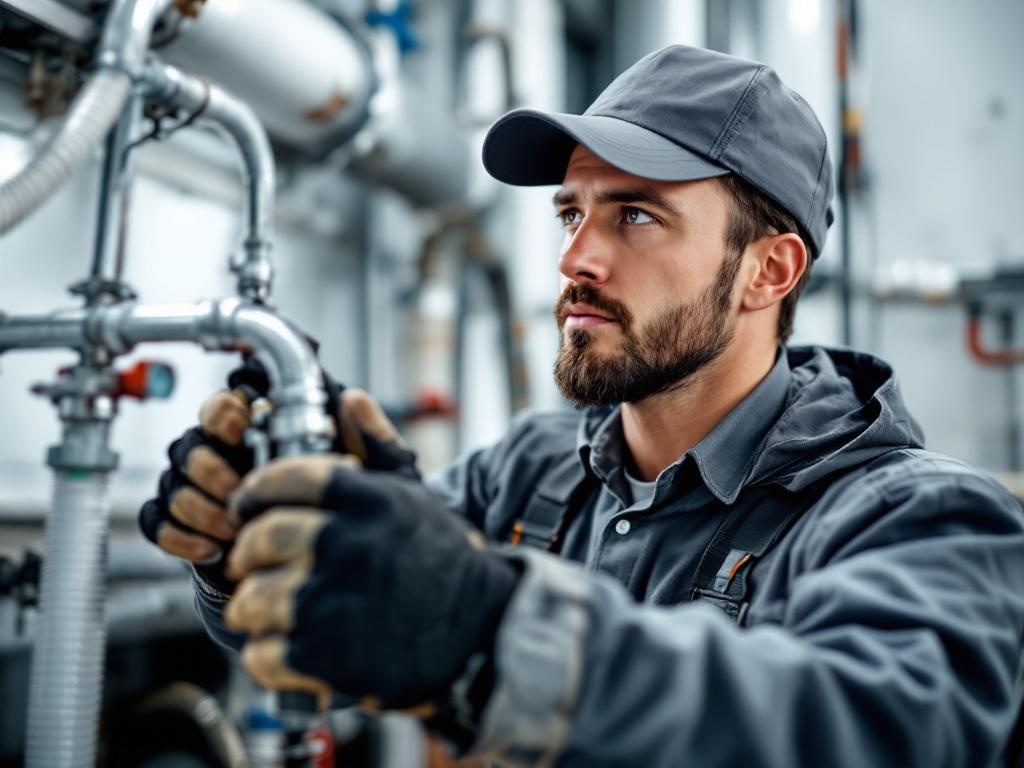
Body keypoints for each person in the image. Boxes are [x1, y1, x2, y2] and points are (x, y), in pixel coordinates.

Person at [140, 45, 1024, 766]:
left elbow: (876, 732)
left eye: (636, 215)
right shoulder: (528, 473)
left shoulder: (922, 519)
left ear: (770, 271)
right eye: (572, 214)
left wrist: (487, 629)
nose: (576, 260)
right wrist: (255, 535)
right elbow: (344, 633)